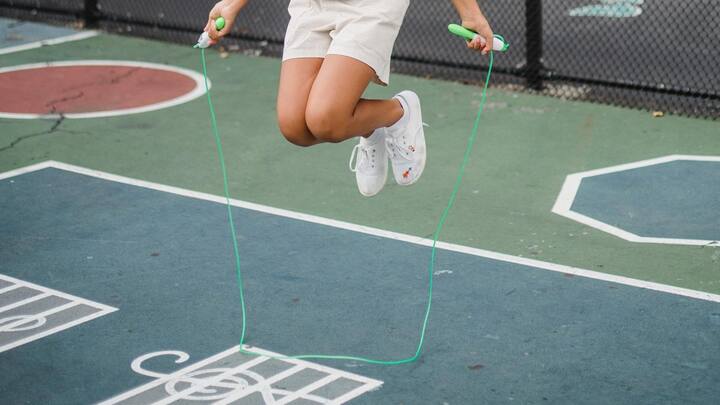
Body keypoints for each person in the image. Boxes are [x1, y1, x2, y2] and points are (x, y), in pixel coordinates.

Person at [205, 0, 494, 196]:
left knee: (325, 119)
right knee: (294, 126)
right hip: (313, 5)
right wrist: (232, 4)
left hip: (371, 6)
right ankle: (370, 126)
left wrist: (470, 13)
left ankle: (398, 112)